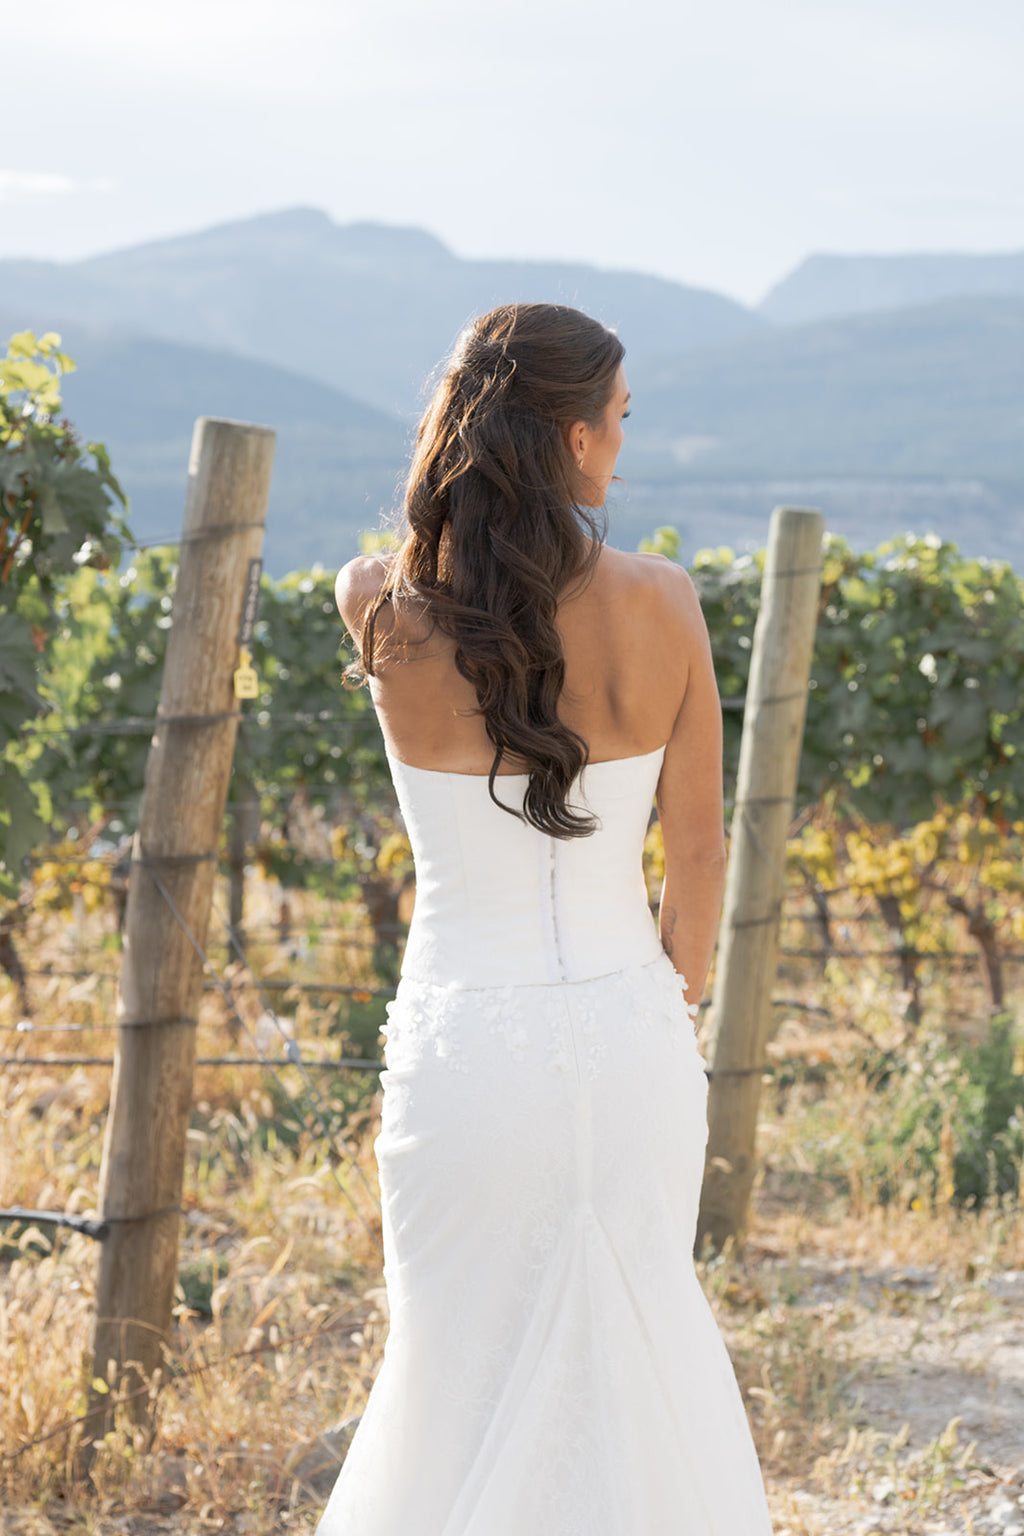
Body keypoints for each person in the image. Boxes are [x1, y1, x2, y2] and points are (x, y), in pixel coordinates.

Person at [315, 303, 774, 1535]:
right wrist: (659, 1005)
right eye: (619, 420)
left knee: (454, 1358)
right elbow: (698, 852)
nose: (623, 444)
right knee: (638, 1346)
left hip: (463, 1050)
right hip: (629, 1043)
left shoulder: (374, 603)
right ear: (572, 438)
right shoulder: (665, 602)